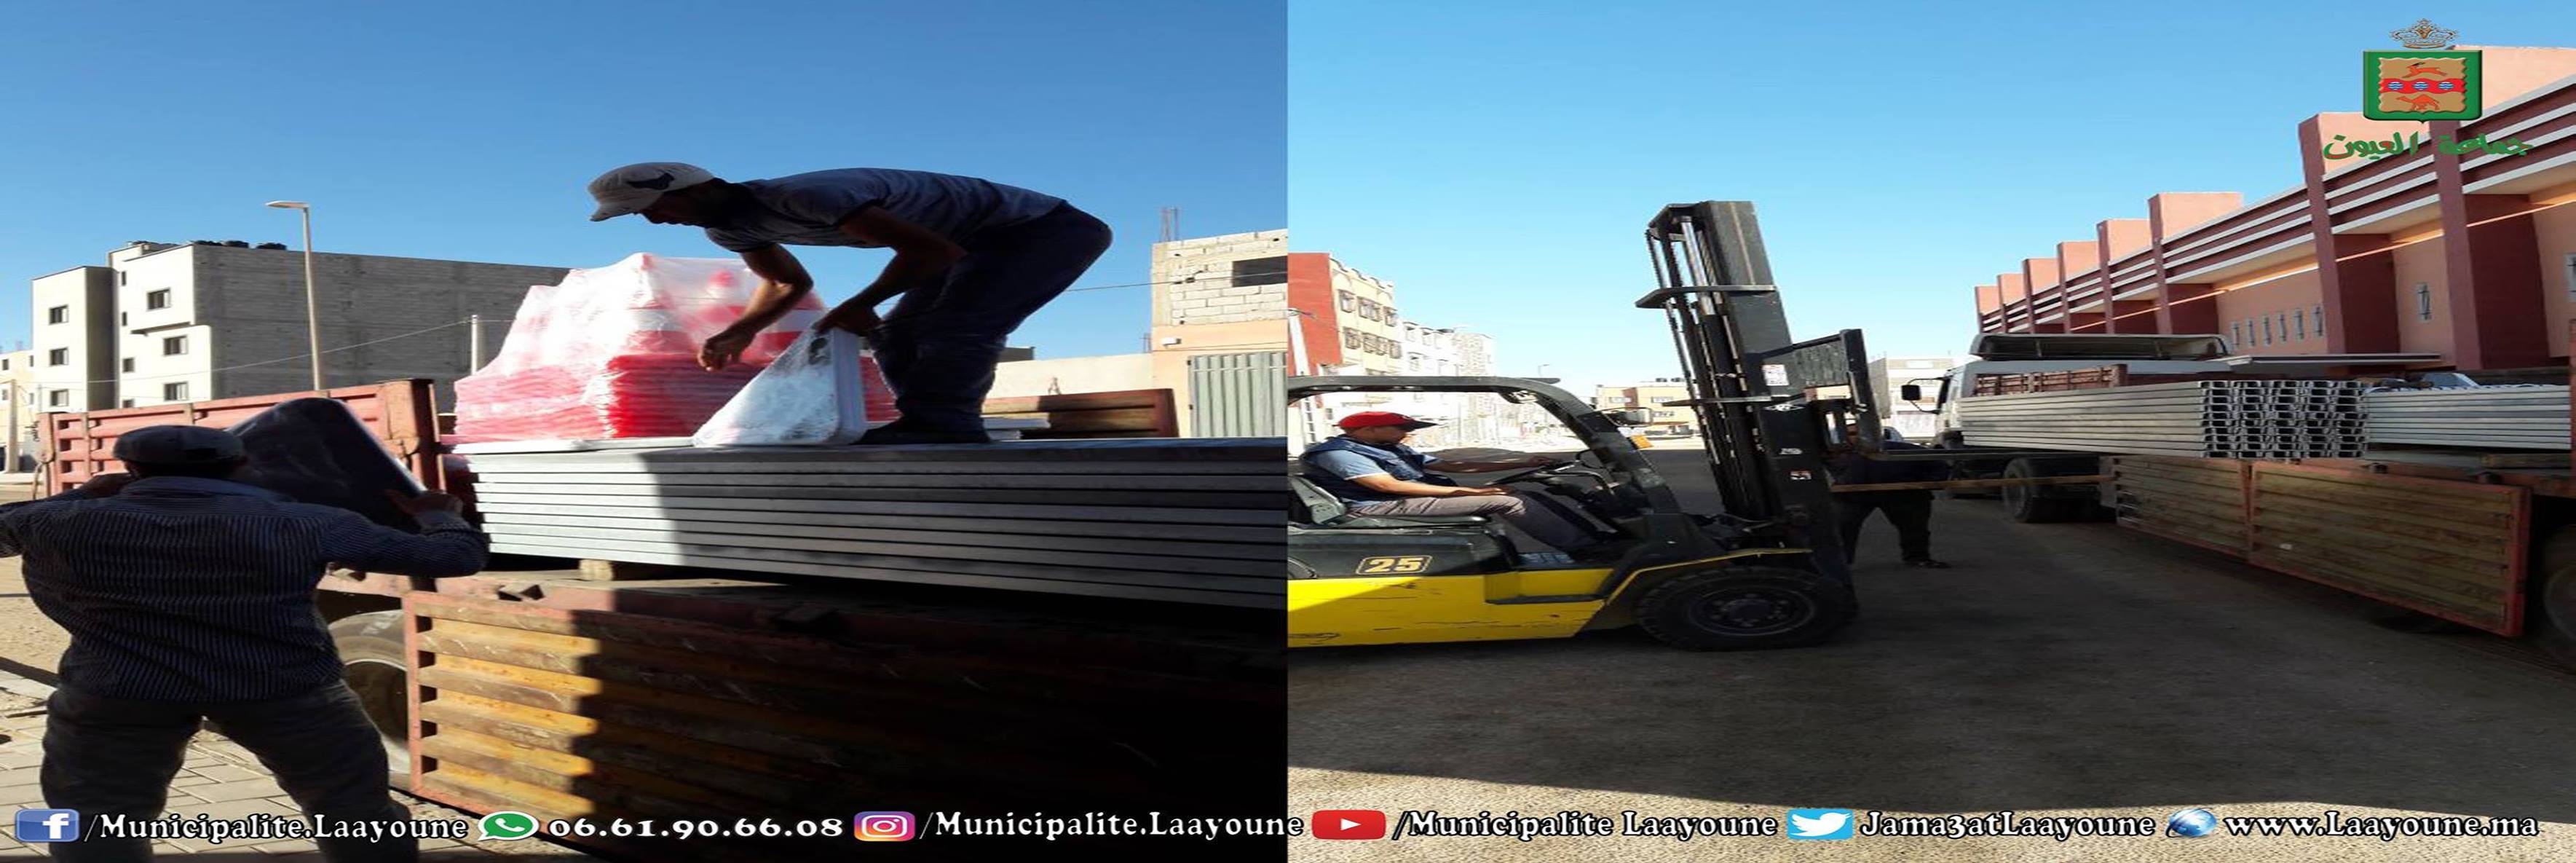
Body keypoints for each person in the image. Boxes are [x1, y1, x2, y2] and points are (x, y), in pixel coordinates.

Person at [0, 425, 489, 863]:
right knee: (352, 807)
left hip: (115, 689)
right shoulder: (308, 521)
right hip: (285, 689)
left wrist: (80, 495)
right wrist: (440, 516)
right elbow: (454, 557)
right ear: (241, 463)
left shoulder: (58, 521)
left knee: (95, 816)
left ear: (130, 468)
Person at [587, 162, 1112, 444]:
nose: (654, 220)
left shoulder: (807, 196)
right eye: (640, 215)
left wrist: (861, 301)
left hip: (1044, 231)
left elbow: (933, 252)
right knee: (895, 333)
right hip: (966, 244)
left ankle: (942, 425)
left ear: (695, 189)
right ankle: (926, 423)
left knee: (956, 327)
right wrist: (739, 330)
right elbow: (785, 284)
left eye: (653, 207)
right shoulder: (729, 229)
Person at [1300, 411, 1605, 555]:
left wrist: (1523, 463)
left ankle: (1595, 539)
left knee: (1524, 493)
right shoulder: (1339, 453)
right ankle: (1584, 549)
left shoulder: (1391, 448)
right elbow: (1387, 486)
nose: (1407, 432)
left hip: (1399, 499)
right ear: (1369, 430)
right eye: (1400, 427)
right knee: (1508, 501)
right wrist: (1471, 492)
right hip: (1376, 506)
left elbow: (1453, 465)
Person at [1828, 426, 1952, 568]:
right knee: (1842, 527)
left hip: (1901, 494)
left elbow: (1938, 465)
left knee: (1914, 528)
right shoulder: (1836, 454)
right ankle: (1840, 563)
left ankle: (1918, 558)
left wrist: (1928, 483)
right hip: (1853, 496)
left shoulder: (1901, 449)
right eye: (1851, 434)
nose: (1856, 437)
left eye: (1860, 433)